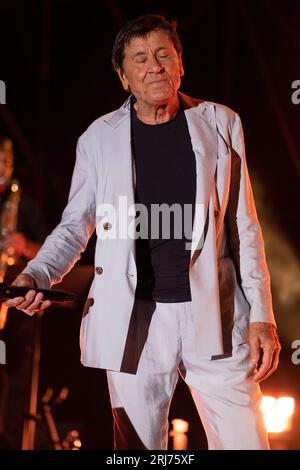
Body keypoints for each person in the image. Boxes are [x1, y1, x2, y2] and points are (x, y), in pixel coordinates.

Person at [5, 15, 281, 450]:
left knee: (248, 442)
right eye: (140, 58)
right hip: (135, 319)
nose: (155, 66)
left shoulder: (222, 123)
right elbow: (75, 226)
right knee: (138, 452)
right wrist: (37, 275)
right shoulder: (99, 139)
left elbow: (244, 226)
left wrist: (263, 314)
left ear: (180, 64)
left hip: (218, 315)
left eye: (163, 54)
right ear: (123, 77)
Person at [0, 134, 48, 449]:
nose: (2, 167)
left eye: (6, 161)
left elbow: (53, 250)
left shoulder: (24, 204)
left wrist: (25, 245)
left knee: (13, 381)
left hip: (14, 308)